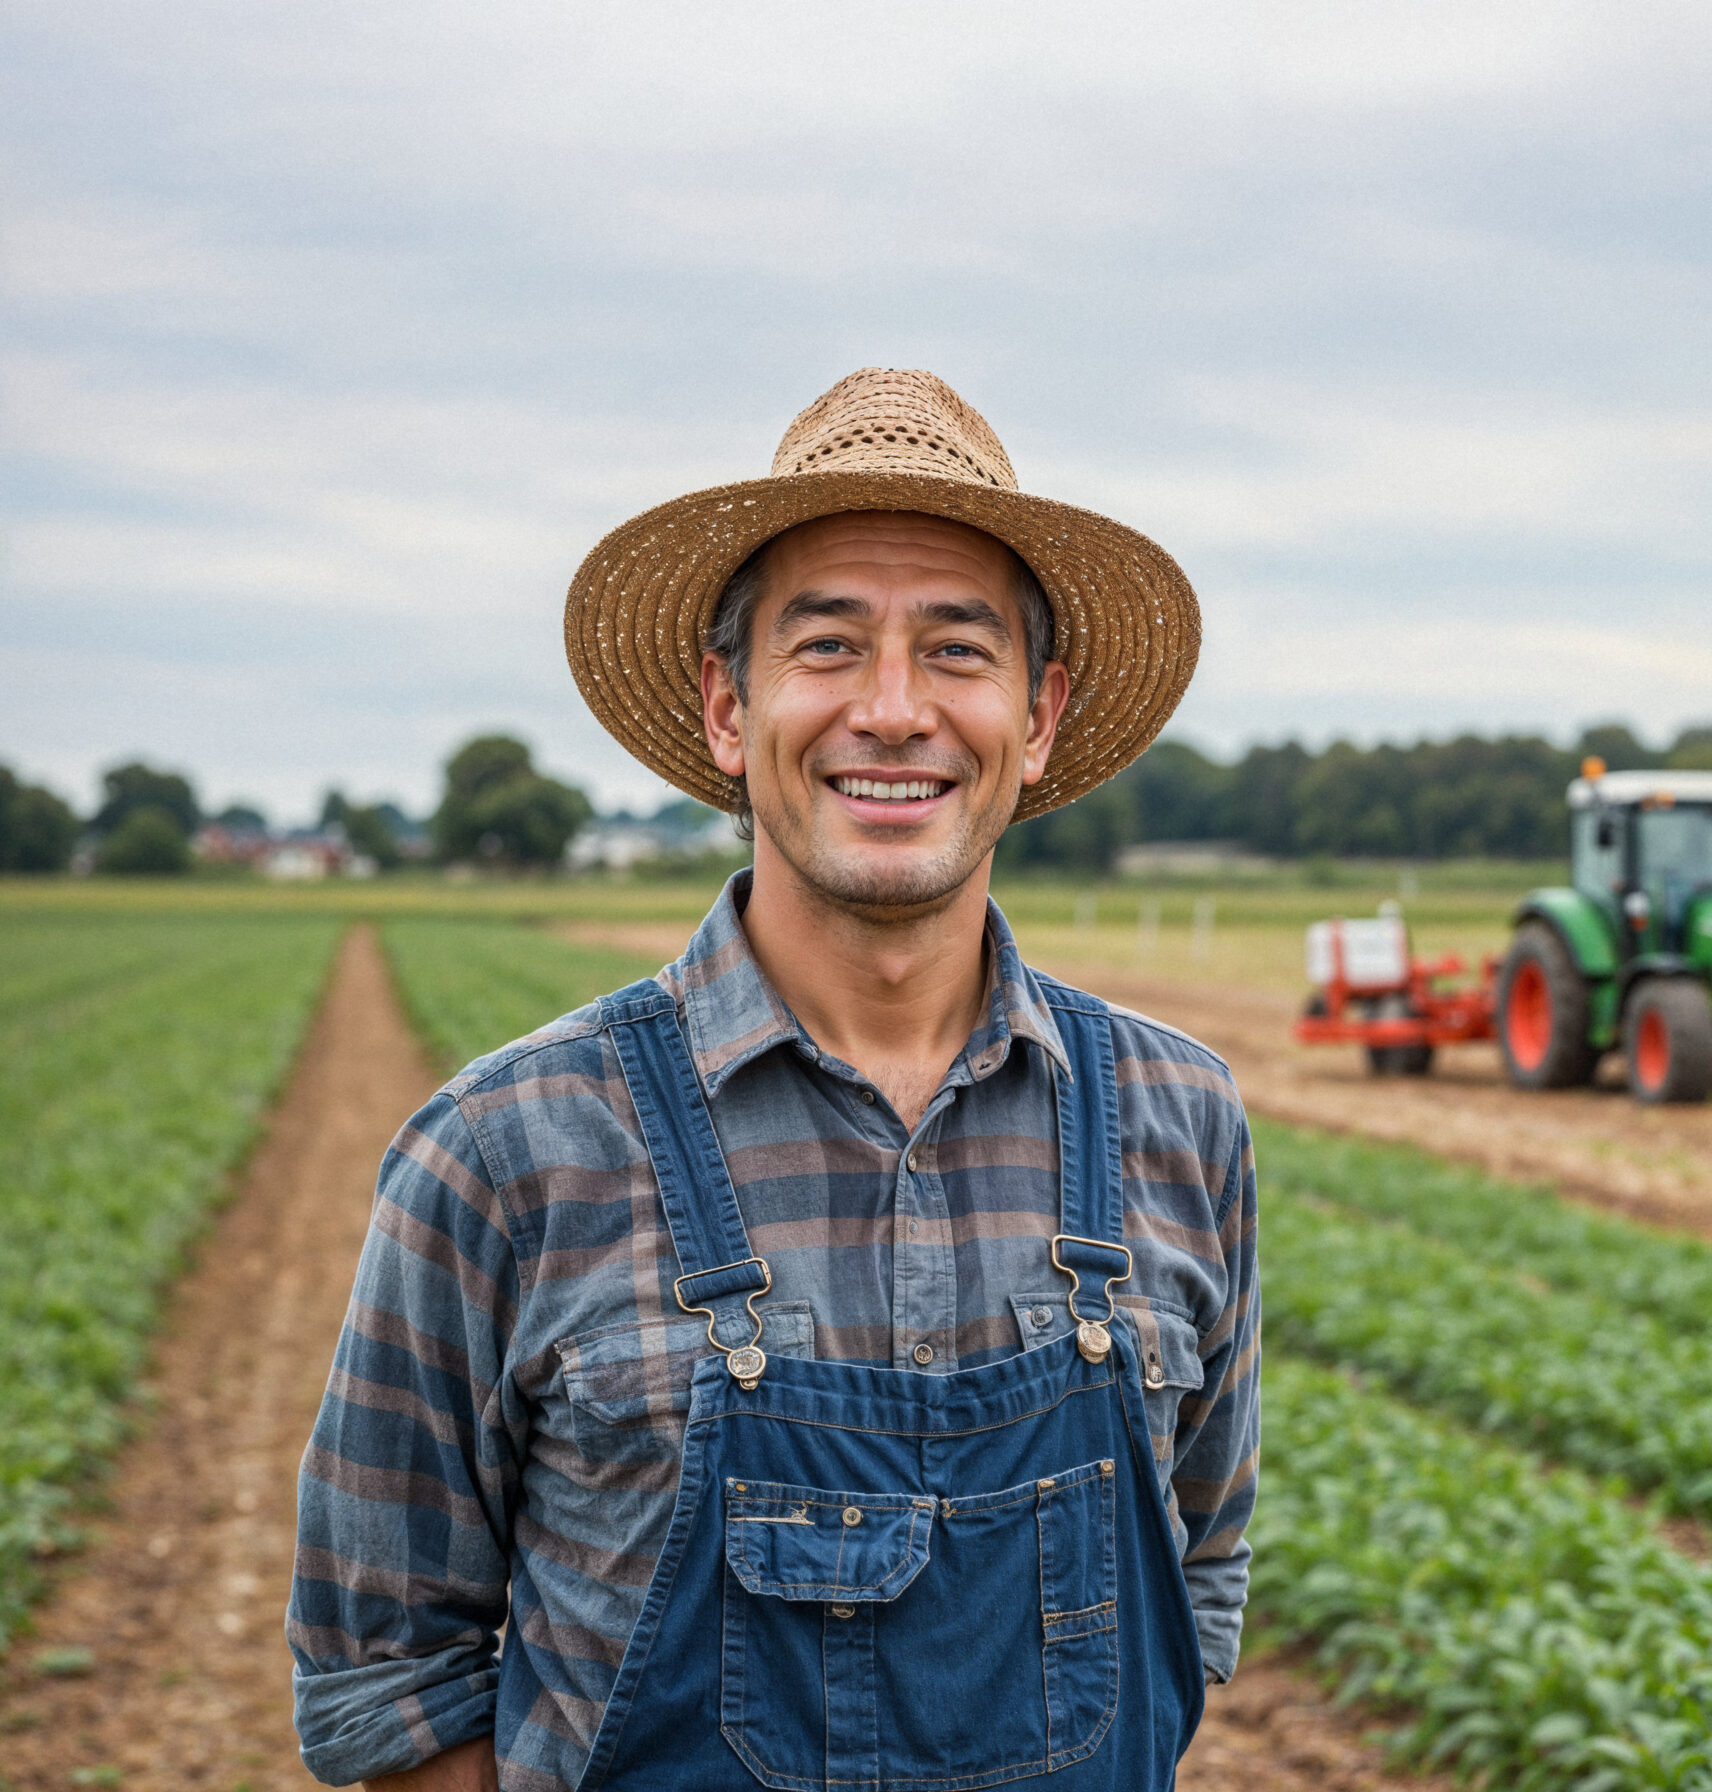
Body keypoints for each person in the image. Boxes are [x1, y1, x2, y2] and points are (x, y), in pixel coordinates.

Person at [290, 370, 1257, 1792]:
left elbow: (1202, 1574)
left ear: (1037, 717)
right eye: (826, 645)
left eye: (957, 651)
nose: (891, 709)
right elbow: (388, 1675)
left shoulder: (1178, 1119)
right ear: (729, 709)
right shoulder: (502, 1151)